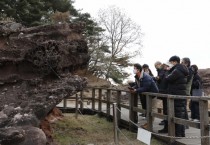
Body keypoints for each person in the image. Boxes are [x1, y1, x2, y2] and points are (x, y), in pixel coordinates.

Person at [129, 63, 159, 129]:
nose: (133, 70)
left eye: (134, 68)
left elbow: (146, 87)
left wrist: (136, 90)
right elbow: (138, 85)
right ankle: (148, 123)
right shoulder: (137, 76)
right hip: (147, 95)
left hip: (152, 94)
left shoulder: (146, 77)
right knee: (148, 109)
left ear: (138, 70)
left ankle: (149, 125)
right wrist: (133, 88)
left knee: (152, 109)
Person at [165, 55, 189, 137]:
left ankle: (178, 134)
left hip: (176, 94)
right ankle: (180, 133)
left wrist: (168, 71)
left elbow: (168, 79)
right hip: (180, 94)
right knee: (180, 114)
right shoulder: (181, 69)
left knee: (177, 114)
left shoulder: (177, 70)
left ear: (175, 62)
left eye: (171, 62)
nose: (170, 64)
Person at [181, 57, 194, 128]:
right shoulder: (187, 70)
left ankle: (186, 124)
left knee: (183, 107)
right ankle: (186, 124)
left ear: (187, 63)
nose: (181, 64)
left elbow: (185, 80)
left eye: (182, 62)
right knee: (183, 107)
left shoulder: (189, 70)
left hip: (185, 91)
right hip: (183, 90)